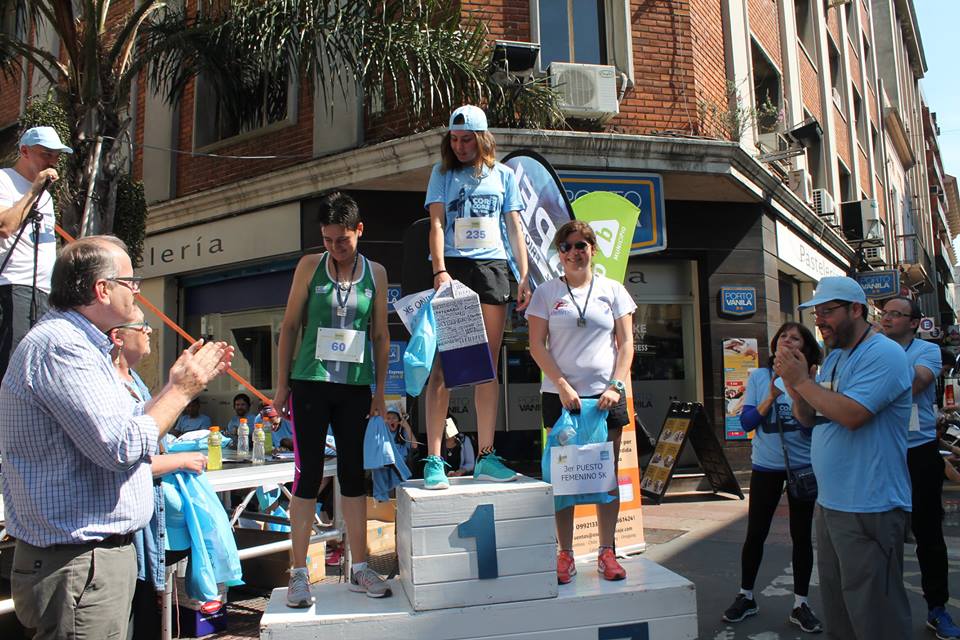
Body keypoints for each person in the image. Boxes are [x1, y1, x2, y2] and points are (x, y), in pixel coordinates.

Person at [0, 235, 232, 639]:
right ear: (102, 289)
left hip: (88, 563)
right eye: (130, 281)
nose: (137, 290)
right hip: (78, 563)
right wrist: (181, 391)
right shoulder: (62, 347)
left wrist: (173, 386)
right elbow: (122, 446)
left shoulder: (81, 347)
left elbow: (122, 429)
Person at [775, 276, 912, 640]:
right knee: (841, 614)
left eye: (828, 311)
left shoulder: (883, 354)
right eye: (816, 312)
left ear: (856, 309)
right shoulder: (836, 357)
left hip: (870, 504)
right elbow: (811, 418)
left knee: (876, 616)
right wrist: (794, 385)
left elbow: (852, 415)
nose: (819, 320)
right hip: (834, 503)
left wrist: (803, 382)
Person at [273, 191, 391, 605]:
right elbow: (289, 327)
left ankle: (360, 568)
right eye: (327, 240)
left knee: (353, 472)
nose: (335, 248)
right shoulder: (309, 266)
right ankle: (299, 572)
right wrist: (281, 385)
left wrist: (380, 392)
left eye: (342, 239)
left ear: (359, 231)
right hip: (310, 382)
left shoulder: (375, 273)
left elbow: (380, 334)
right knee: (307, 477)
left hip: (355, 388)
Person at [422, 104, 531, 489]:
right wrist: (439, 269)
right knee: (447, 364)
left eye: (467, 139)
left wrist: (524, 273)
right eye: (454, 139)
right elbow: (436, 223)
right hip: (455, 268)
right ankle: (434, 459)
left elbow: (515, 227)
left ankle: (486, 455)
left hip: (493, 269)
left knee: (486, 365)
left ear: (482, 139)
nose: (460, 145)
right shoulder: (442, 173)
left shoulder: (504, 176)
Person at [526, 220, 635, 584]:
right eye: (568, 246)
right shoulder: (545, 293)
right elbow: (536, 345)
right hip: (561, 400)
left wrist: (616, 386)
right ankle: (565, 554)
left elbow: (626, 344)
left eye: (582, 244)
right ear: (560, 253)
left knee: (605, 478)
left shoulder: (613, 290)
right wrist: (560, 385)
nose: (576, 251)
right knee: (564, 480)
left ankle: (607, 552)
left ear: (593, 249)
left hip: (606, 399)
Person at [108, 307, 205, 640]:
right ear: (118, 337)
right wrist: (182, 461)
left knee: (150, 606)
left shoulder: (135, 381)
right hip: (129, 530)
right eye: (142, 326)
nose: (149, 331)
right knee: (135, 614)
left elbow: (154, 438)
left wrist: (176, 383)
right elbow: (131, 456)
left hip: (152, 520)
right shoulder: (109, 385)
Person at [721, 322, 823, 633]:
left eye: (796, 338)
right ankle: (746, 595)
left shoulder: (811, 378)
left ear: (803, 349)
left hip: (802, 467)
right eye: (784, 337)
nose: (788, 341)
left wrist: (796, 390)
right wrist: (771, 394)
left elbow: (809, 427)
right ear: (776, 343)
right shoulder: (759, 376)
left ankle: (800, 603)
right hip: (766, 465)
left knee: (801, 535)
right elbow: (748, 420)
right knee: (756, 533)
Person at [880, 296, 960, 639]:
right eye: (884, 314)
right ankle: (883, 612)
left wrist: (874, 384)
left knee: (929, 534)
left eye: (896, 315)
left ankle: (937, 609)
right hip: (882, 452)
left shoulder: (925, 352)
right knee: (882, 535)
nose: (887, 319)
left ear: (914, 323)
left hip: (919, 451)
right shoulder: (871, 349)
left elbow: (913, 386)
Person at [0, 126, 73, 380]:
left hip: (43, 291)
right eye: (46, 154)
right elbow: (5, 227)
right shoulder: (4, 180)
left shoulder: (46, 197)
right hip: (13, 285)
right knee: (11, 367)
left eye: (56, 156)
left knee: (39, 369)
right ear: (24, 151)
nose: (52, 162)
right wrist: (33, 190)